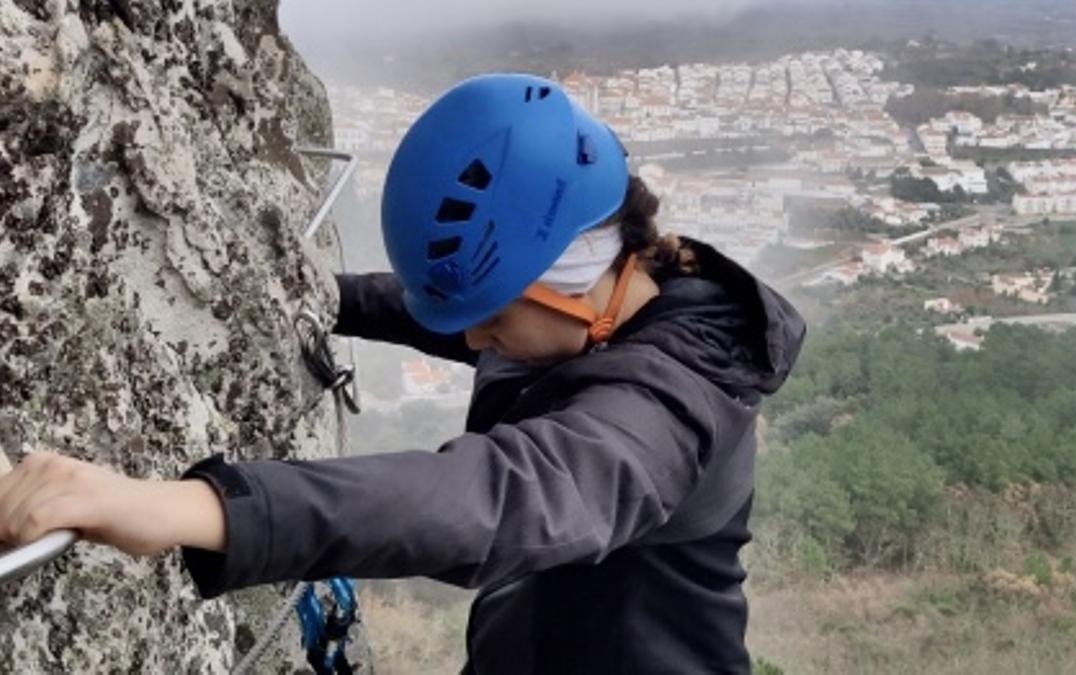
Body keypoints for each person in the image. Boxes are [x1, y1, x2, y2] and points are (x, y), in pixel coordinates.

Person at [0, 74, 805, 674]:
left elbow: (495, 499)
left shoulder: (668, 411)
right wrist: (319, 299)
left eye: (488, 314)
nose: (476, 339)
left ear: (559, 283)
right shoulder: (595, 312)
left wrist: (197, 505)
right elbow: (443, 316)